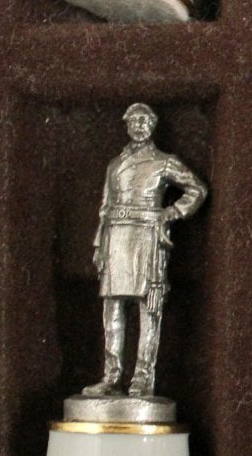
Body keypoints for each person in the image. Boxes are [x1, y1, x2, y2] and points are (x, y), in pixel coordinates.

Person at [85, 103, 207, 399]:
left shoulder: (164, 162)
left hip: (146, 238)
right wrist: (99, 245)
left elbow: (197, 189)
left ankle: (142, 378)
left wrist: (172, 212)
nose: (139, 126)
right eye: (134, 121)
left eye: (144, 121)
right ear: (126, 126)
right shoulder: (115, 164)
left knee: (148, 308)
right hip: (116, 236)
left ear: (152, 125)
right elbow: (104, 208)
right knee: (112, 308)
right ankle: (111, 376)